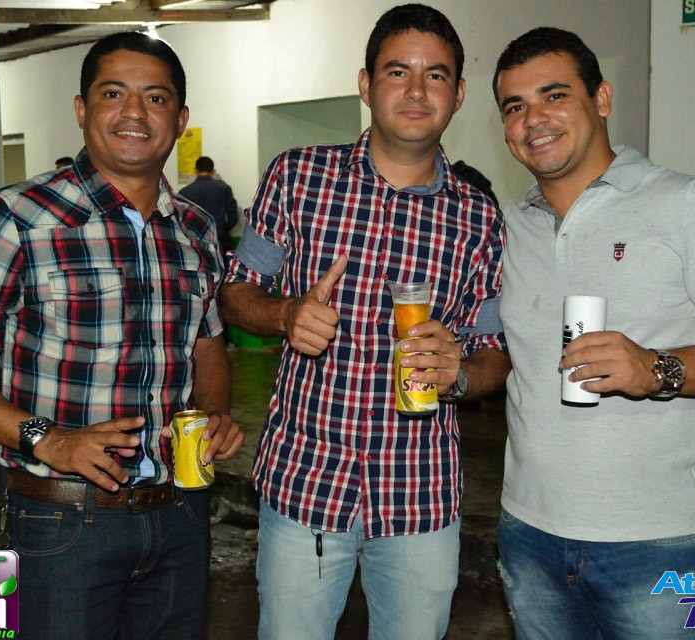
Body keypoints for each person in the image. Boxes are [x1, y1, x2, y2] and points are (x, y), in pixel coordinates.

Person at [0, 31, 243, 639]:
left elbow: (207, 344)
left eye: (156, 98)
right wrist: (48, 440)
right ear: (82, 109)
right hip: (61, 521)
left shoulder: (195, 229)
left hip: (180, 514)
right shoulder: (16, 219)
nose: (135, 113)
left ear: (180, 119)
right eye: (113, 94)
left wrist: (215, 412)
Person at [220, 5, 511, 639]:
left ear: (459, 94)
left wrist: (460, 374)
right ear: (365, 84)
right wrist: (285, 312)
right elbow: (236, 291)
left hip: (420, 495)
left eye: (436, 76)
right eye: (397, 72)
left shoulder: (480, 218)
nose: (416, 91)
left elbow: (494, 353)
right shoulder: (298, 177)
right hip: (306, 485)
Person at [491, 27, 695, 639]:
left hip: (650, 541)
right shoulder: (510, 227)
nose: (534, 119)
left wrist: (657, 369)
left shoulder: (686, 203)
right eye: (515, 106)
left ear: (601, 98)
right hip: (526, 531)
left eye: (554, 95)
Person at [179, 155, 239, 253]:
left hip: (195, 241)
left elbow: (181, 219)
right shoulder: (224, 188)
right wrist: (224, 229)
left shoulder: (184, 192)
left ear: (196, 171)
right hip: (220, 238)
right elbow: (233, 216)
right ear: (213, 171)